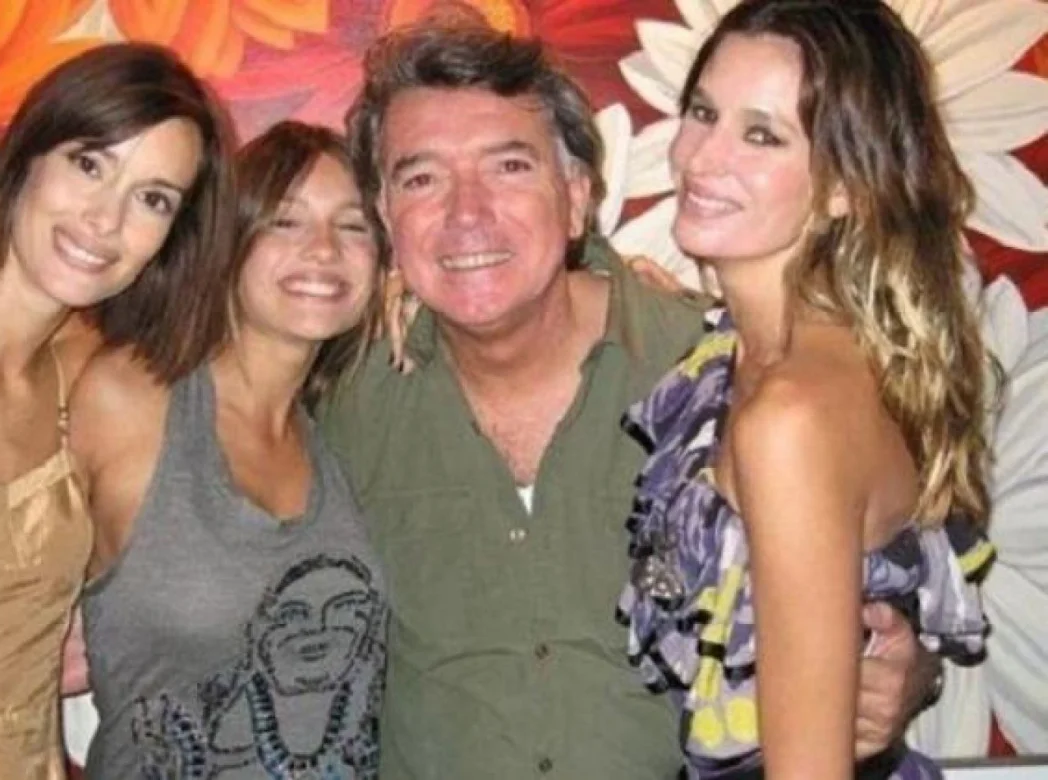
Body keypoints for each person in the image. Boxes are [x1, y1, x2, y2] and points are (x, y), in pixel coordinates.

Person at [320, 21, 940, 779]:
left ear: (578, 196)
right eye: (421, 179)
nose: (466, 212)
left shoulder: (707, 376)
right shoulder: (340, 398)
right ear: (386, 216)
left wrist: (908, 667)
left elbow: (891, 559)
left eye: (509, 166)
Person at [615, 1, 996, 777]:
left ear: (844, 187)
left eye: (762, 135)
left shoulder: (793, 415)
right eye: (703, 113)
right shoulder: (764, 353)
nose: (702, 157)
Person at [0, 42, 237, 778]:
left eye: (152, 199)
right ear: (26, 154)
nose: (105, 218)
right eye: (89, 164)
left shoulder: (100, 381)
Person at [69, 121, 388, 778]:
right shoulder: (129, 399)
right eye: (285, 222)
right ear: (228, 244)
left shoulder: (341, 432)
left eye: (354, 226)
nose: (324, 249)